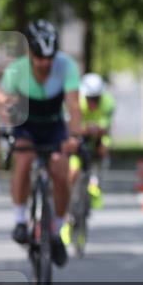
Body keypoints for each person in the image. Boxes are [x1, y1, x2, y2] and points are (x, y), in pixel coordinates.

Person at [0, 19, 82, 268]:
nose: (45, 63)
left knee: (60, 168)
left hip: (54, 124)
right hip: (26, 125)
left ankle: (56, 230)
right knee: (23, 160)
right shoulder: (16, 70)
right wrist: (6, 123)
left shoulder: (67, 66)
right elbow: (3, 101)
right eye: (39, 57)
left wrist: (74, 138)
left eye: (50, 57)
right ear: (30, 53)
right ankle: (20, 220)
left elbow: (73, 106)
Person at [62, 72, 115, 243]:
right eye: (90, 98)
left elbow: (105, 128)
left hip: (98, 136)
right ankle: (68, 214)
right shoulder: (77, 103)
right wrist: (85, 130)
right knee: (72, 173)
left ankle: (96, 184)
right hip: (80, 137)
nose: (93, 102)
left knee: (103, 149)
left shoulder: (108, 103)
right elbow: (72, 127)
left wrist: (96, 132)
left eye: (97, 98)